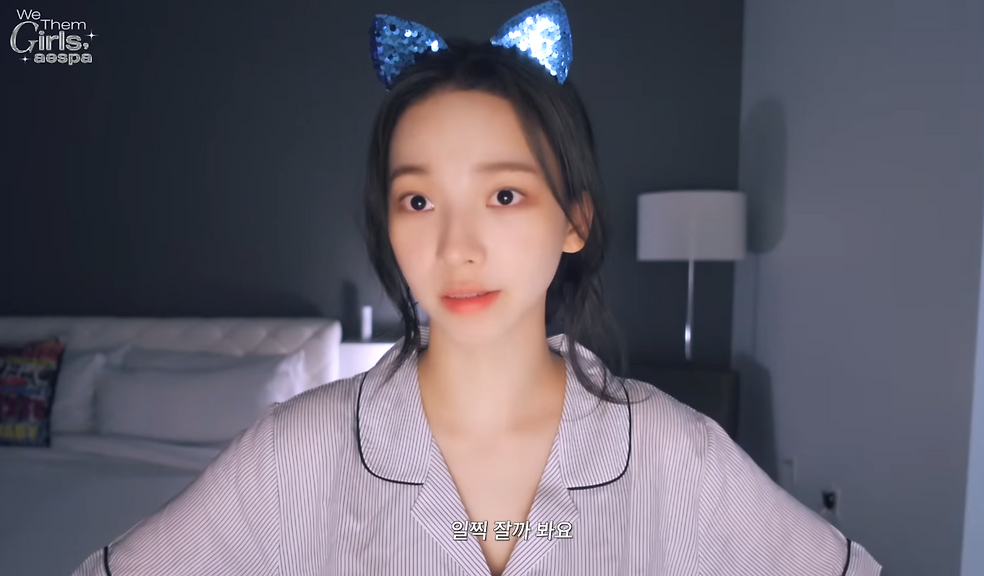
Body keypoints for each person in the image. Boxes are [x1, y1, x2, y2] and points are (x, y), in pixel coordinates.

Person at [71, 2, 881, 575]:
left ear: (574, 220)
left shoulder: (680, 455)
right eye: (418, 201)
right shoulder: (293, 455)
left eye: (504, 194)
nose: (457, 247)